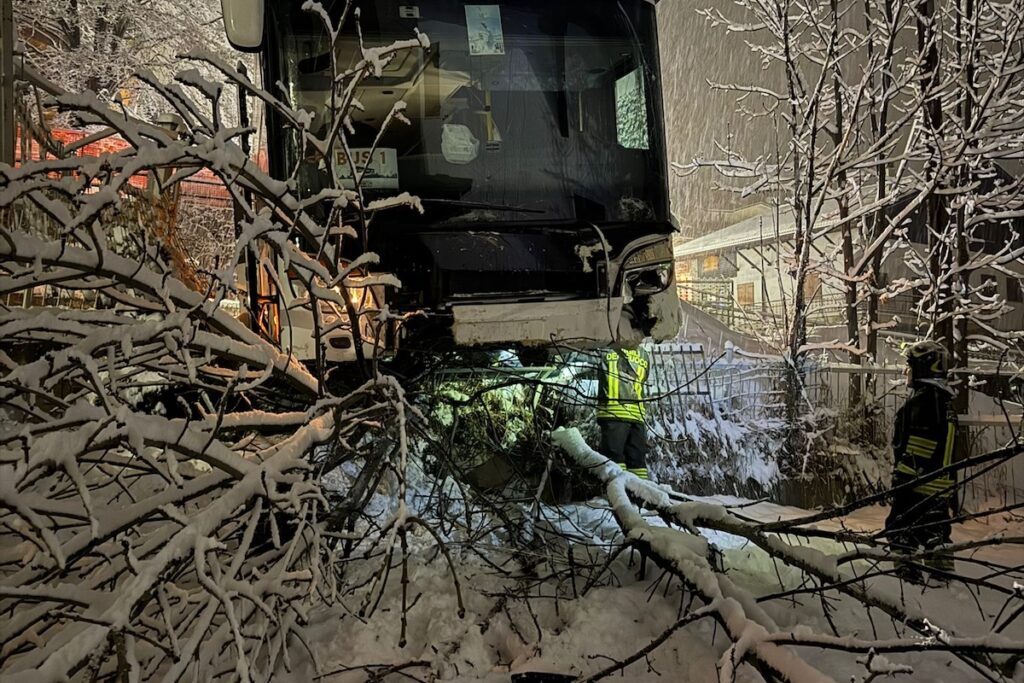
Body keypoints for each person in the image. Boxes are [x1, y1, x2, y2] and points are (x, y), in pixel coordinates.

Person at [884, 340, 958, 581]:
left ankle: (908, 581)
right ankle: (944, 583)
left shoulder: (921, 404)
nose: (907, 372)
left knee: (900, 530)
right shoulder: (945, 403)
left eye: (911, 366)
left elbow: (918, 445)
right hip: (940, 488)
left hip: (917, 485)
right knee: (936, 533)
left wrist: (902, 478)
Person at [596, 345, 651, 480]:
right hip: (636, 415)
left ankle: (619, 493)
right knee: (637, 461)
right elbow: (644, 379)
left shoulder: (606, 348)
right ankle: (640, 495)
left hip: (613, 412)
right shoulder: (643, 354)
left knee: (614, 459)